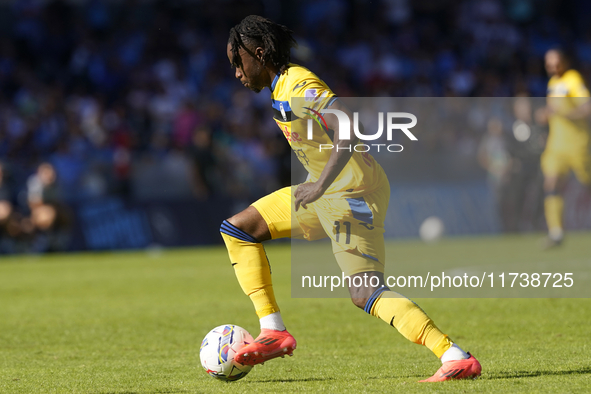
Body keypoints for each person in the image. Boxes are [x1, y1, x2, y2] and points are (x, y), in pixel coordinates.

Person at [220, 15, 481, 382]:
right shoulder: (280, 86)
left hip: (351, 194)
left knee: (364, 292)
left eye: (237, 63)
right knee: (238, 229)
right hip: (325, 191)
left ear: (259, 54)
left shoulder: (297, 84)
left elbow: (346, 123)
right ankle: (273, 331)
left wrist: (320, 185)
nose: (236, 72)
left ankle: (454, 355)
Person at [539, 49, 591, 248]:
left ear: (564, 62)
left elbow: (587, 108)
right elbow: (555, 112)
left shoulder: (573, 80)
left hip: (578, 144)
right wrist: (546, 115)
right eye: (548, 63)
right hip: (556, 144)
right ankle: (556, 233)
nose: (551, 67)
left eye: (555, 63)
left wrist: (567, 114)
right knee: (551, 183)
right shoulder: (552, 84)